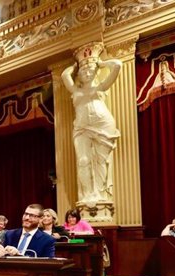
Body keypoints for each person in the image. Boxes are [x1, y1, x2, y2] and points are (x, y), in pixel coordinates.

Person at [61, 43, 122, 204]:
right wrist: (75, 67)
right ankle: (88, 195)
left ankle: (101, 195)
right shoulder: (76, 91)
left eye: (90, 70)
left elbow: (117, 65)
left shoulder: (101, 86)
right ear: (79, 75)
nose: (87, 72)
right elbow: (64, 76)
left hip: (103, 124)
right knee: (83, 160)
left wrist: (101, 64)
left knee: (102, 161)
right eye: (84, 71)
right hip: (81, 128)